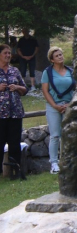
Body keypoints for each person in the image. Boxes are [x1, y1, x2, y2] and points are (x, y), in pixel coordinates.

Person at [41, 47, 75, 174]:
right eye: (57, 56)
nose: (60, 57)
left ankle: (66, 160)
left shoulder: (70, 71)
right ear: (52, 59)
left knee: (68, 134)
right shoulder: (47, 72)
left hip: (68, 105)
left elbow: (75, 88)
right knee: (55, 135)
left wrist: (70, 104)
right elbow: (45, 91)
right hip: (53, 106)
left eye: (61, 54)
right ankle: (54, 163)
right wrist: (55, 105)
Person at [0, 44, 28, 179]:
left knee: (15, 142)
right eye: (5, 53)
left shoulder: (15, 71)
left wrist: (17, 87)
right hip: (1, 114)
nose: (8, 56)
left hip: (15, 112)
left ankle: (15, 170)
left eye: (9, 53)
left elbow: (25, 90)